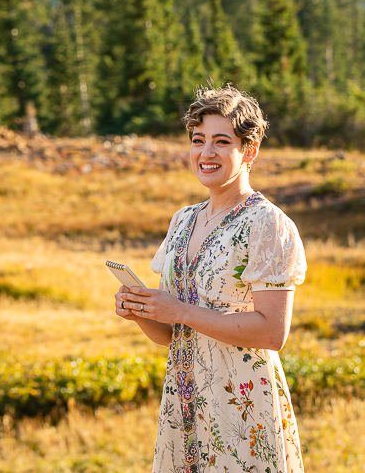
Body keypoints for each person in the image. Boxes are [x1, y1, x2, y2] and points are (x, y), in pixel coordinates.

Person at [115, 85, 307, 473]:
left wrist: (180, 311)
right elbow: (170, 332)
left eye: (222, 141)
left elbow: (273, 334)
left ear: (249, 151)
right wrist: (142, 311)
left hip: (241, 401)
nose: (206, 153)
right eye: (198, 140)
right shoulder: (183, 219)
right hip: (183, 401)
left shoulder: (266, 223)